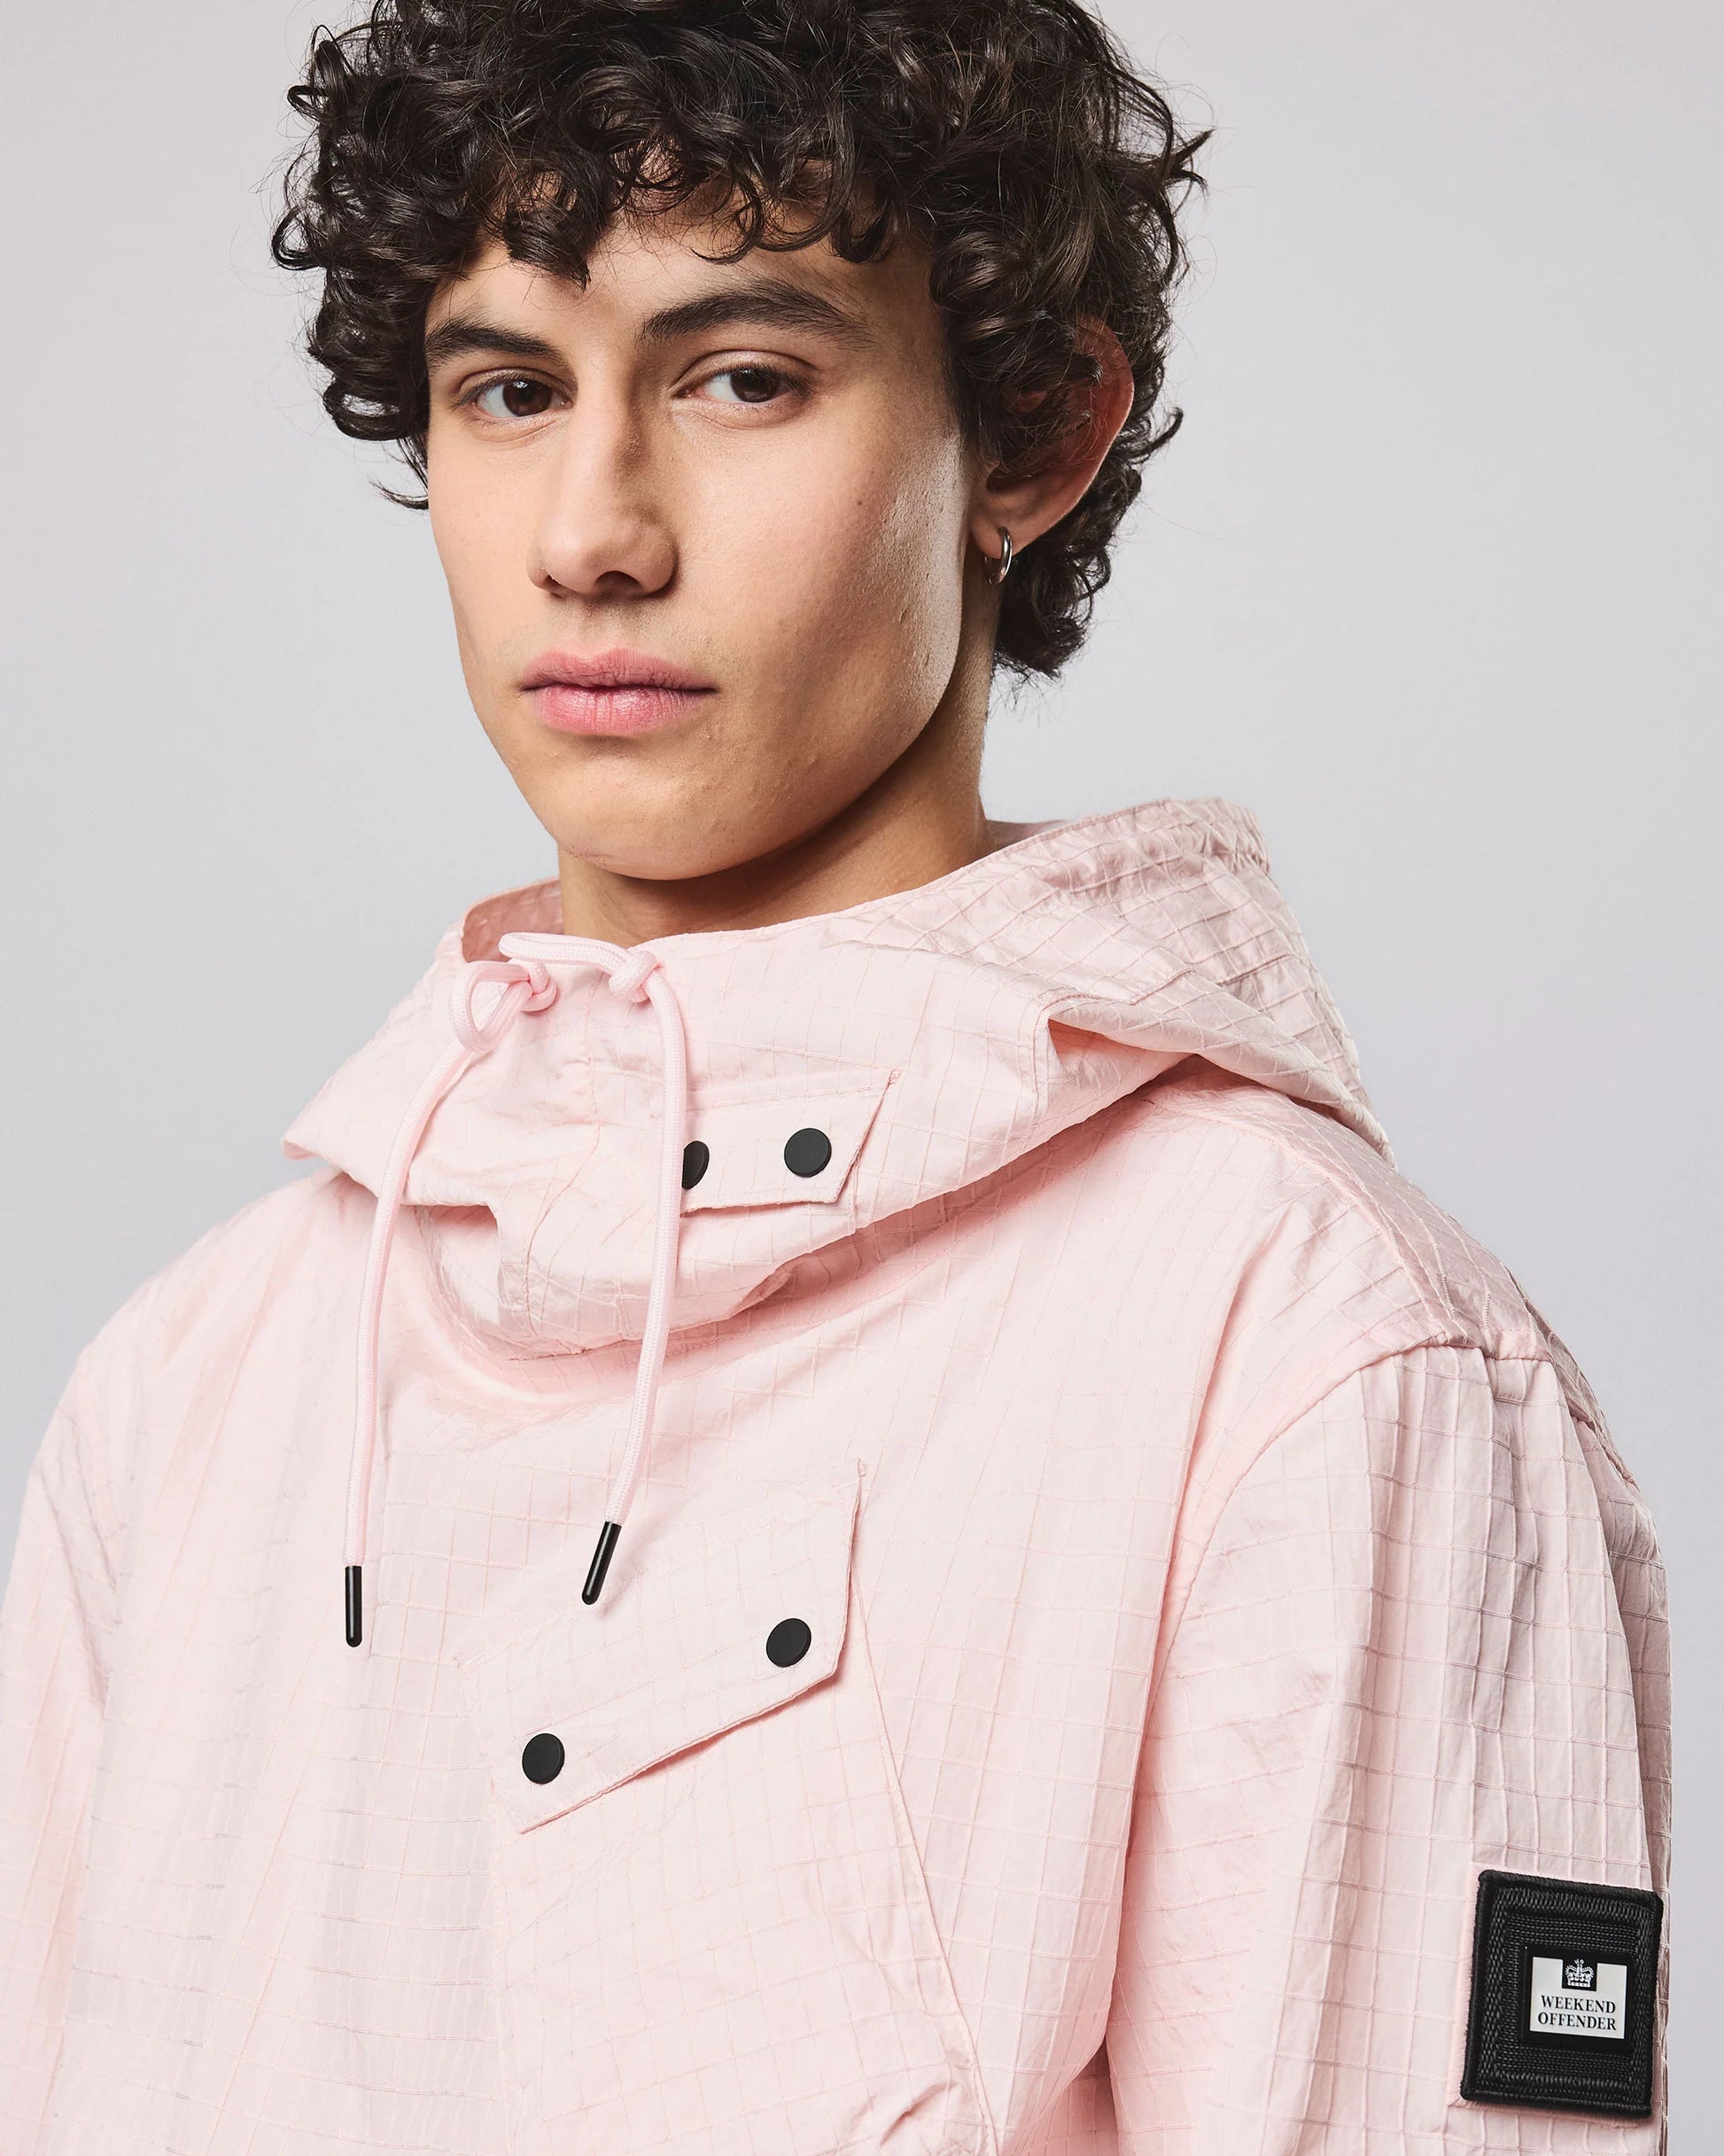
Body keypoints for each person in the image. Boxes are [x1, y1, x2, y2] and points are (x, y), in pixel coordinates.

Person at [0, 0, 1669, 2147]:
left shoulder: (1303, 1348)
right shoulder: (197, 1382)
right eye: (510, 389)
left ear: (1034, 438)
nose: (592, 533)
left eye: (742, 379)